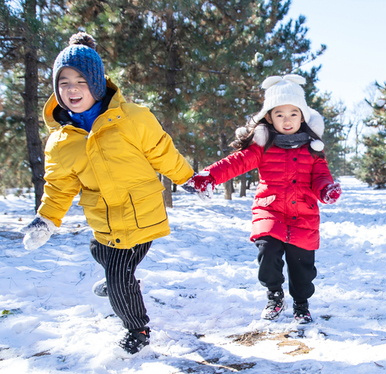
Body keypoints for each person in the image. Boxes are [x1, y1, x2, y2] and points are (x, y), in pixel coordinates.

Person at [21, 32, 194, 354]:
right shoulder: (60, 141)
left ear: (98, 84)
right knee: (101, 254)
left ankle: (137, 328)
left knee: (118, 275)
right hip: (104, 218)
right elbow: (60, 186)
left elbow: (162, 152)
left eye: (81, 81)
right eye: (64, 82)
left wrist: (187, 178)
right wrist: (46, 219)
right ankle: (122, 284)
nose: (72, 89)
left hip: (139, 214)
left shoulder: (133, 119)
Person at [184, 74, 341, 324]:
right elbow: (236, 162)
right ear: (269, 117)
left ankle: (301, 304)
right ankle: (274, 296)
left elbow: (321, 175)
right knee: (268, 253)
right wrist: (209, 176)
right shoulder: (263, 145)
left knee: (302, 269)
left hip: (304, 215)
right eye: (280, 114)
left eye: (293, 113)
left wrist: (326, 189)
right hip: (270, 211)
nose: (287, 120)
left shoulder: (312, 149)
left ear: (303, 117)